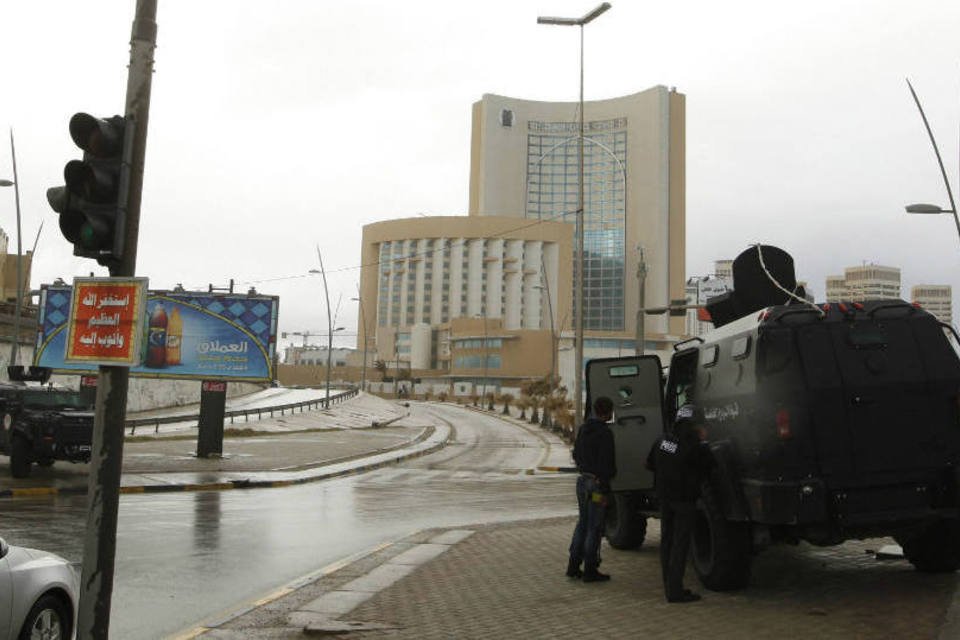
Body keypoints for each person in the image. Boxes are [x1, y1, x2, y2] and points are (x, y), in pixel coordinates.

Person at [646, 403, 714, 603]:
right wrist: (704, 443)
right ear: (695, 426)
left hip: (664, 500)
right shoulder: (696, 447)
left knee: (667, 541)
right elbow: (711, 467)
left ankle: (669, 584)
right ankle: (675, 591)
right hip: (684, 501)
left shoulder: (662, 441)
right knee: (680, 545)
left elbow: (648, 464)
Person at [566, 396, 616, 583]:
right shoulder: (605, 433)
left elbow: (575, 453)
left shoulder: (584, 429)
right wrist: (605, 484)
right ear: (609, 412)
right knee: (594, 527)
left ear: (595, 410)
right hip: (596, 485)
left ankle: (573, 566)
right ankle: (590, 570)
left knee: (583, 523)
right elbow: (608, 463)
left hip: (582, 481)